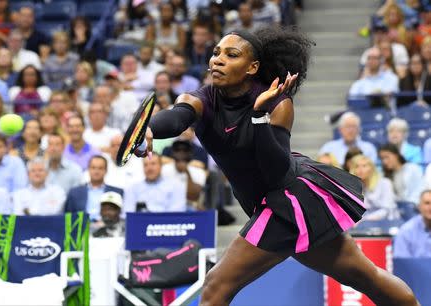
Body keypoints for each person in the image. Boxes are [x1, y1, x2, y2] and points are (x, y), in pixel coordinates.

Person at [139, 27, 418, 305]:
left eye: (231, 54)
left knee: (215, 287)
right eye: (216, 53)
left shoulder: (277, 104)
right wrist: (148, 128)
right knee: (363, 276)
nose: (218, 60)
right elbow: (176, 118)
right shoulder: (200, 98)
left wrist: (259, 115)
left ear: (252, 67)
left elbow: (275, 171)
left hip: (288, 201)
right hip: (268, 203)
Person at [65, 155, 123, 221]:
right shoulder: (75, 193)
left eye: (100, 168)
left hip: (107, 228)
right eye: (93, 167)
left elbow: (120, 217)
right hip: (82, 228)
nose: (96, 171)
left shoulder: (117, 192)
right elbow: (68, 217)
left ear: (106, 170)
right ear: (88, 169)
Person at [350, 154, 399, 221]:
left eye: (364, 166)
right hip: (366, 226)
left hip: (388, 222)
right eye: (357, 167)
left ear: (371, 168)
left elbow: (386, 210)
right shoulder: (356, 188)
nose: (360, 170)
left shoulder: (385, 183)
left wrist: (364, 220)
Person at [394, 189, 431, 258]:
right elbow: (402, 263)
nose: (430, 207)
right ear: (419, 206)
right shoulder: (406, 231)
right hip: (415, 268)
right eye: (427, 203)